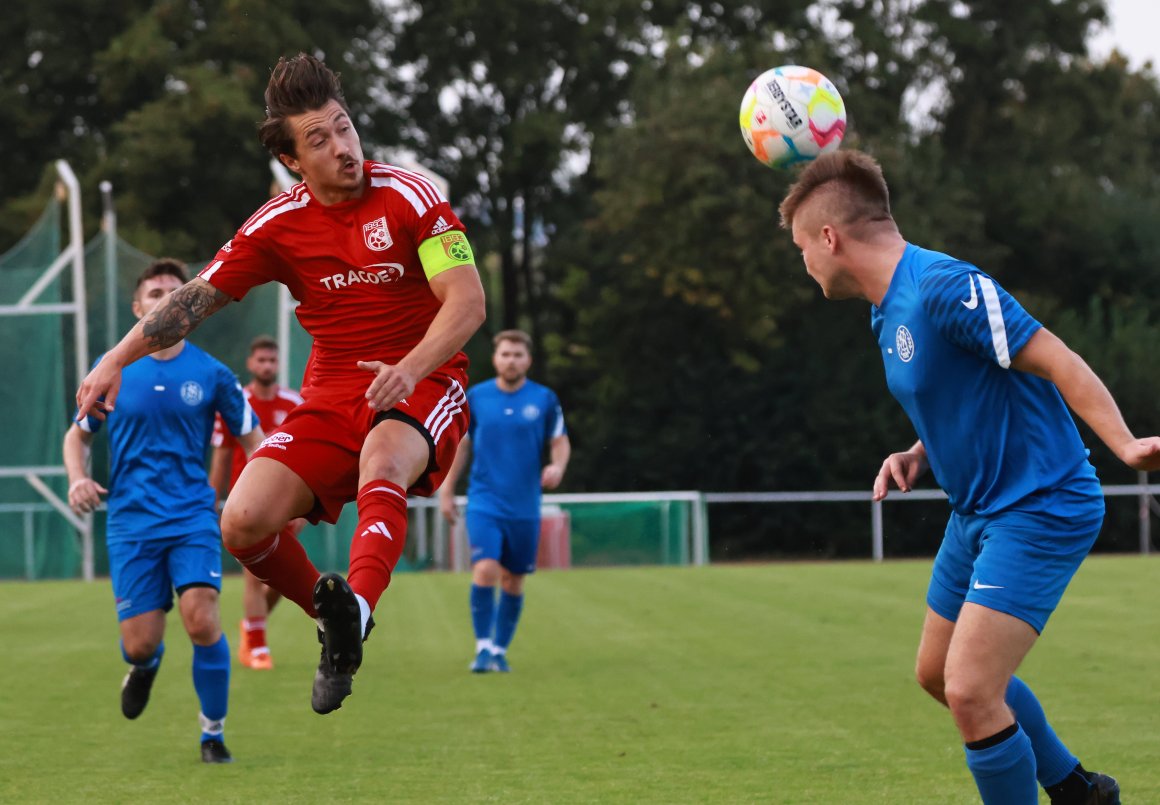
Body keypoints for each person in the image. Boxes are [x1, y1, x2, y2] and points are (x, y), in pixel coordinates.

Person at [76, 53, 486, 716]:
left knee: (384, 459)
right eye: (319, 140)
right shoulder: (277, 226)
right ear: (294, 160)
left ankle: (356, 602)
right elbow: (195, 298)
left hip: (426, 378)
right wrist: (115, 358)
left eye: (345, 127)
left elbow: (467, 304)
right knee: (240, 521)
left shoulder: (413, 198)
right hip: (331, 393)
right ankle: (337, 622)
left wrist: (409, 367)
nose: (343, 147)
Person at [778, 150, 1158, 804]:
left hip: (1040, 502)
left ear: (831, 238)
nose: (804, 261)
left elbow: (1058, 358)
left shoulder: (943, 287)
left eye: (801, 246)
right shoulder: (886, 307)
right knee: (935, 673)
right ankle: (1078, 790)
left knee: (971, 689)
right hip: (976, 511)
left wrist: (1123, 443)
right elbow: (970, 385)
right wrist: (918, 451)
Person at [64, 258, 264, 763]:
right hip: (131, 521)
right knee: (138, 644)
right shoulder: (113, 370)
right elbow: (77, 436)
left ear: (189, 309)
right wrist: (78, 478)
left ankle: (212, 733)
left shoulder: (213, 374)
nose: (164, 300)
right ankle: (145, 664)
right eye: (155, 294)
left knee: (201, 619)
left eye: (175, 294)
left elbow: (254, 439)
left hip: (192, 515)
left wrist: (275, 494)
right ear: (138, 307)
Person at [439, 330, 571, 673]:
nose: (511, 360)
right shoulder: (476, 397)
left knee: (514, 579)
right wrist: (447, 489)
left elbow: (559, 441)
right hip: (485, 501)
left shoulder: (544, 399)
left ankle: (499, 649)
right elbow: (461, 446)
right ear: (496, 358)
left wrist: (557, 466)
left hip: (525, 505)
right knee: (486, 569)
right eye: (505, 354)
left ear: (528, 359)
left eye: (517, 355)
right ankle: (482, 648)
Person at [208, 334, 305, 670]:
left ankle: (251, 627)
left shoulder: (295, 402)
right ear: (251, 364)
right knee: (253, 576)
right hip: (245, 504)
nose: (267, 366)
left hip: (285, 504)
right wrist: (212, 499)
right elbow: (221, 456)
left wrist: (306, 506)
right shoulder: (237, 402)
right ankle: (258, 647)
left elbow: (306, 456)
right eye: (261, 360)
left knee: (284, 577)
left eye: (272, 360)